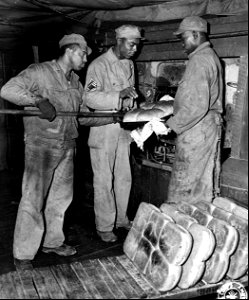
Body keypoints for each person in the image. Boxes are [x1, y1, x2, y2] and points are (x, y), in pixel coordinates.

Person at [0, 33, 115, 270]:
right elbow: (7, 90)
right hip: (41, 145)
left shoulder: (76, 82)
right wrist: (37, 100)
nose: (85, 59)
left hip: (67, 146)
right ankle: (23, 255)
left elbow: (81, 117)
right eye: (83, 53)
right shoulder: (39, 72)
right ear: (71, 51)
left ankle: (52, 242)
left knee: (60, 200)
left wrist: (112, 119)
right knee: (33, 199)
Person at [85, 25, 143, 243]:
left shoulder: (129, 64)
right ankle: (104, 225)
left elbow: (131, 95)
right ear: (118, 41)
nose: (135, 49)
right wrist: (118, 94)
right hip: (103, 127)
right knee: (103, 179)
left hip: (123, 127)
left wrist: (135, 111)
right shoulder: (99, 65)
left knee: (124, 177)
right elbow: (90, 99)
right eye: (131, 44)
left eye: (138, 44)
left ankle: (121, 219)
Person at [164, 16, 224, 204]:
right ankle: (197, 229)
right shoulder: (211, 57)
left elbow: (195, 106)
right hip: (208, 127)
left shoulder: (199, 61)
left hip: (197, 129)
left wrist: (170, 125)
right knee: (202, 187)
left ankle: (178, 226)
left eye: (184, 38)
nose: (182, 44)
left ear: (196, 34)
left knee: (184, 186)